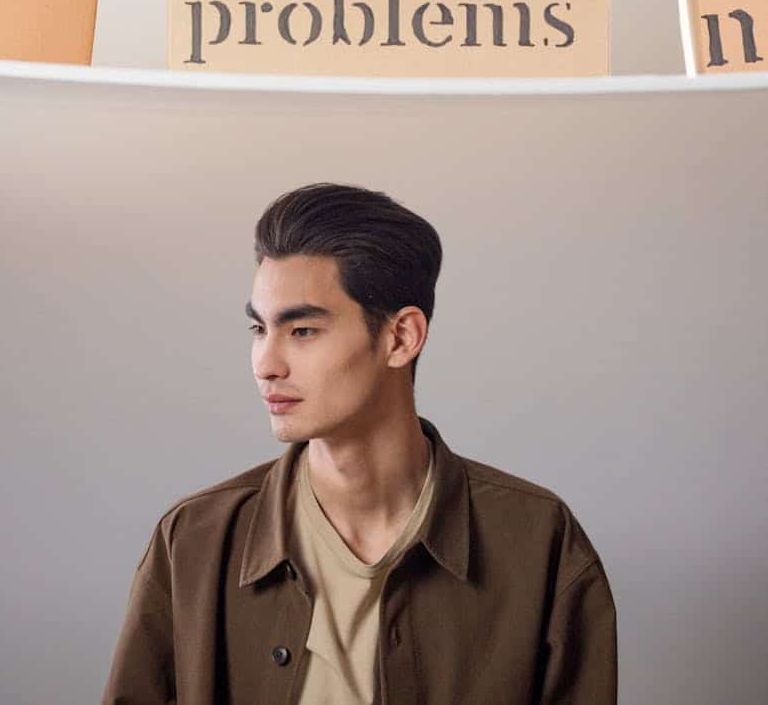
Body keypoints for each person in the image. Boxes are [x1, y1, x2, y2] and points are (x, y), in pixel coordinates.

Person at [101, 182, 617, 704]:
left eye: (302, 330)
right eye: (259, 329)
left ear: (401, 338)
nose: (265, 364)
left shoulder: (538, 543)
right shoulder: (194, 542)